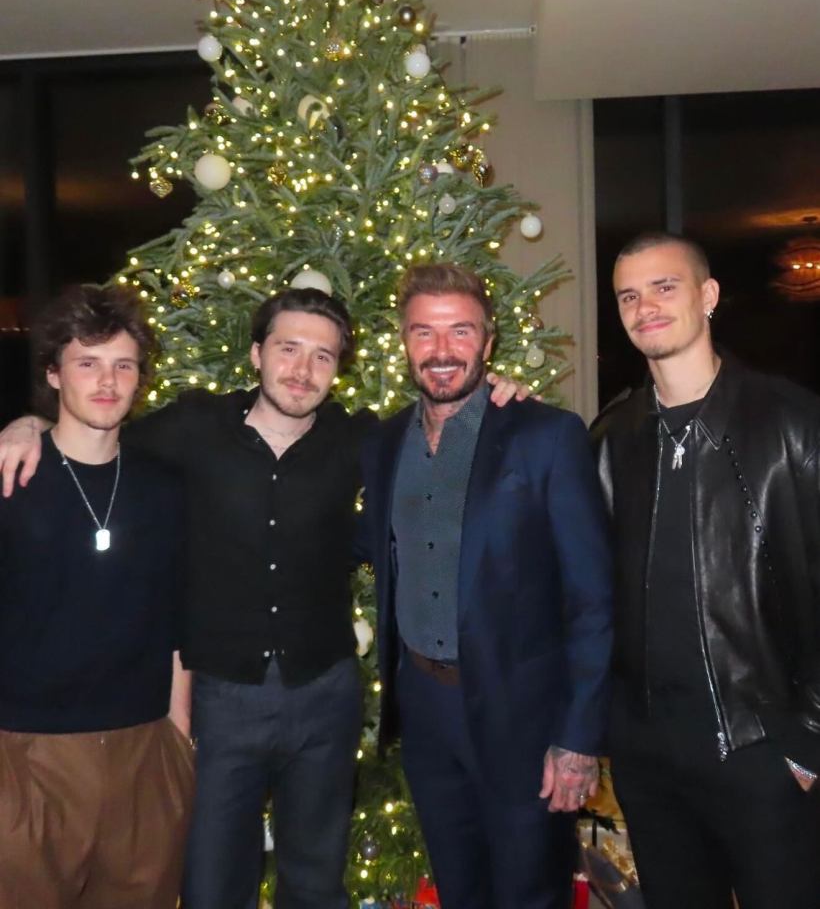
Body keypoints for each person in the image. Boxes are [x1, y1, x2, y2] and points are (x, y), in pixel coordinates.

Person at [0, 283, 527, 909]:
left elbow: (446, 431)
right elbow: (93, 433)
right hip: (220, 699)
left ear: (338, 369)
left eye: (322, 356)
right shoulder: (192, 427)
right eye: (287, 348)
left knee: (314, 878)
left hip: (324, 694)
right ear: (256, 354)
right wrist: (25, 422)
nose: (301, 370)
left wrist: (506, 399)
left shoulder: (364, 441)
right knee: (213, 885)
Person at [358, 262, 613, 909]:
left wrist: (578, 737)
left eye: (460, 331)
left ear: (489, 340)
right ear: (404, 339)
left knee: (531, 893)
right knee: (458, 886)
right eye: (424, 333)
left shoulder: (546, 437)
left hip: (522, 716)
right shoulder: (385, 443)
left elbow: (592, 598)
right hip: (424, 708)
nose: (442, 351)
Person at [594, 232, 820, 909]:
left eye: (664, 287)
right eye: (628, 295)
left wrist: (807, 738)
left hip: (763, 750)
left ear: (708, 295)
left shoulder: (791, 421)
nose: (645, 307)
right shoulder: (611, 438)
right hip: (647, 755)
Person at [0, 284, 194, 909]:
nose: (107, 381)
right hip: (25, 756)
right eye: (88, 362)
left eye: (123, 365)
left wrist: (179, 736)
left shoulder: (165, 488)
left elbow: (179, 618)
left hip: (145, 754)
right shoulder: (10, 479)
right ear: (55, 374)